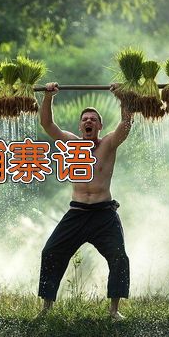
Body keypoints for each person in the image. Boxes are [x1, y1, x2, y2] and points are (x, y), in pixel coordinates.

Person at [38, 82, 133, 320]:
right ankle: (46, 309)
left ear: (100, 125)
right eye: (85, 119)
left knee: (119, 257)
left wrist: (122, 98)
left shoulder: (109, 144)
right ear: (80, 126)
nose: (89, 122)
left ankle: (114, 311)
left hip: (104, 213)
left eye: (93, 119)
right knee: (51, 252)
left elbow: (126, 124)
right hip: (77, 212)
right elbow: (47, 124)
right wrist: (49, 97)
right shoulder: (71, 142)